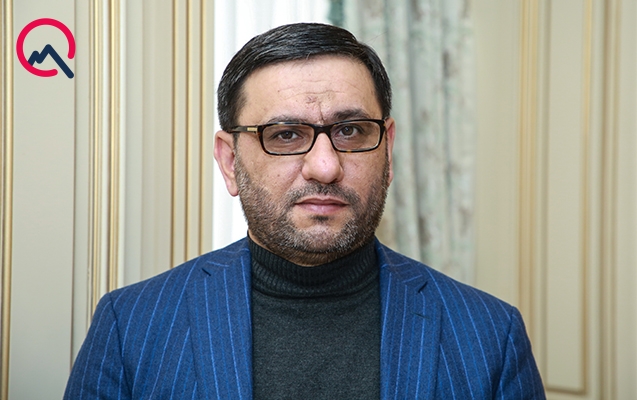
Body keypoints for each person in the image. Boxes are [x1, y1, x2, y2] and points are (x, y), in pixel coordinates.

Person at [64, 22, 545, 399]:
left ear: (388, 150)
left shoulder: (489, 334)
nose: (325, 167)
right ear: (230, 163)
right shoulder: (131, 326)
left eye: (351, 131)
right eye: (285, 135)